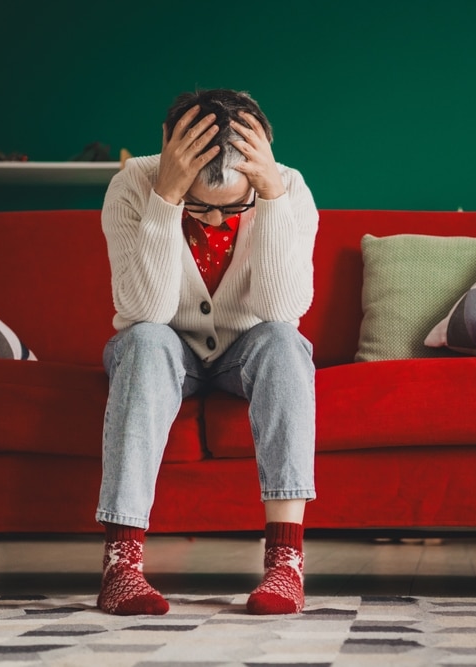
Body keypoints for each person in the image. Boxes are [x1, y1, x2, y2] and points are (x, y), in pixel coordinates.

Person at [94, 88, 319, 616]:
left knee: (287, 344)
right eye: (201, 206)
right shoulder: (133, 184)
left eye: (232, 207)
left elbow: (281, 307)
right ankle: (121, 566)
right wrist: (166, 200)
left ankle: (286, 564)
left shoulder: (288, 187)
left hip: (249, 346)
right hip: (161, 344)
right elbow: (144, 309)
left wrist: (270, 200)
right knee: (146, 340)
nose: (216, 221)